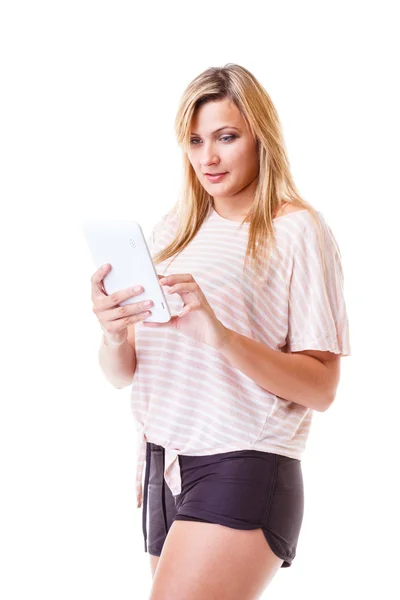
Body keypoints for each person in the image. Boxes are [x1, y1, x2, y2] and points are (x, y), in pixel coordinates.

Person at [92, 63, 351, 599]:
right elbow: (123, 375)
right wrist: (114, 333)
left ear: (260, 138)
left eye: (226, 137)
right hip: (164, 469)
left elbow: (321, 388)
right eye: (195, 141)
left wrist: (222, 335)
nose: (207, 157)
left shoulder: (296, 229)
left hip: (243, 461)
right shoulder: (173, 230)